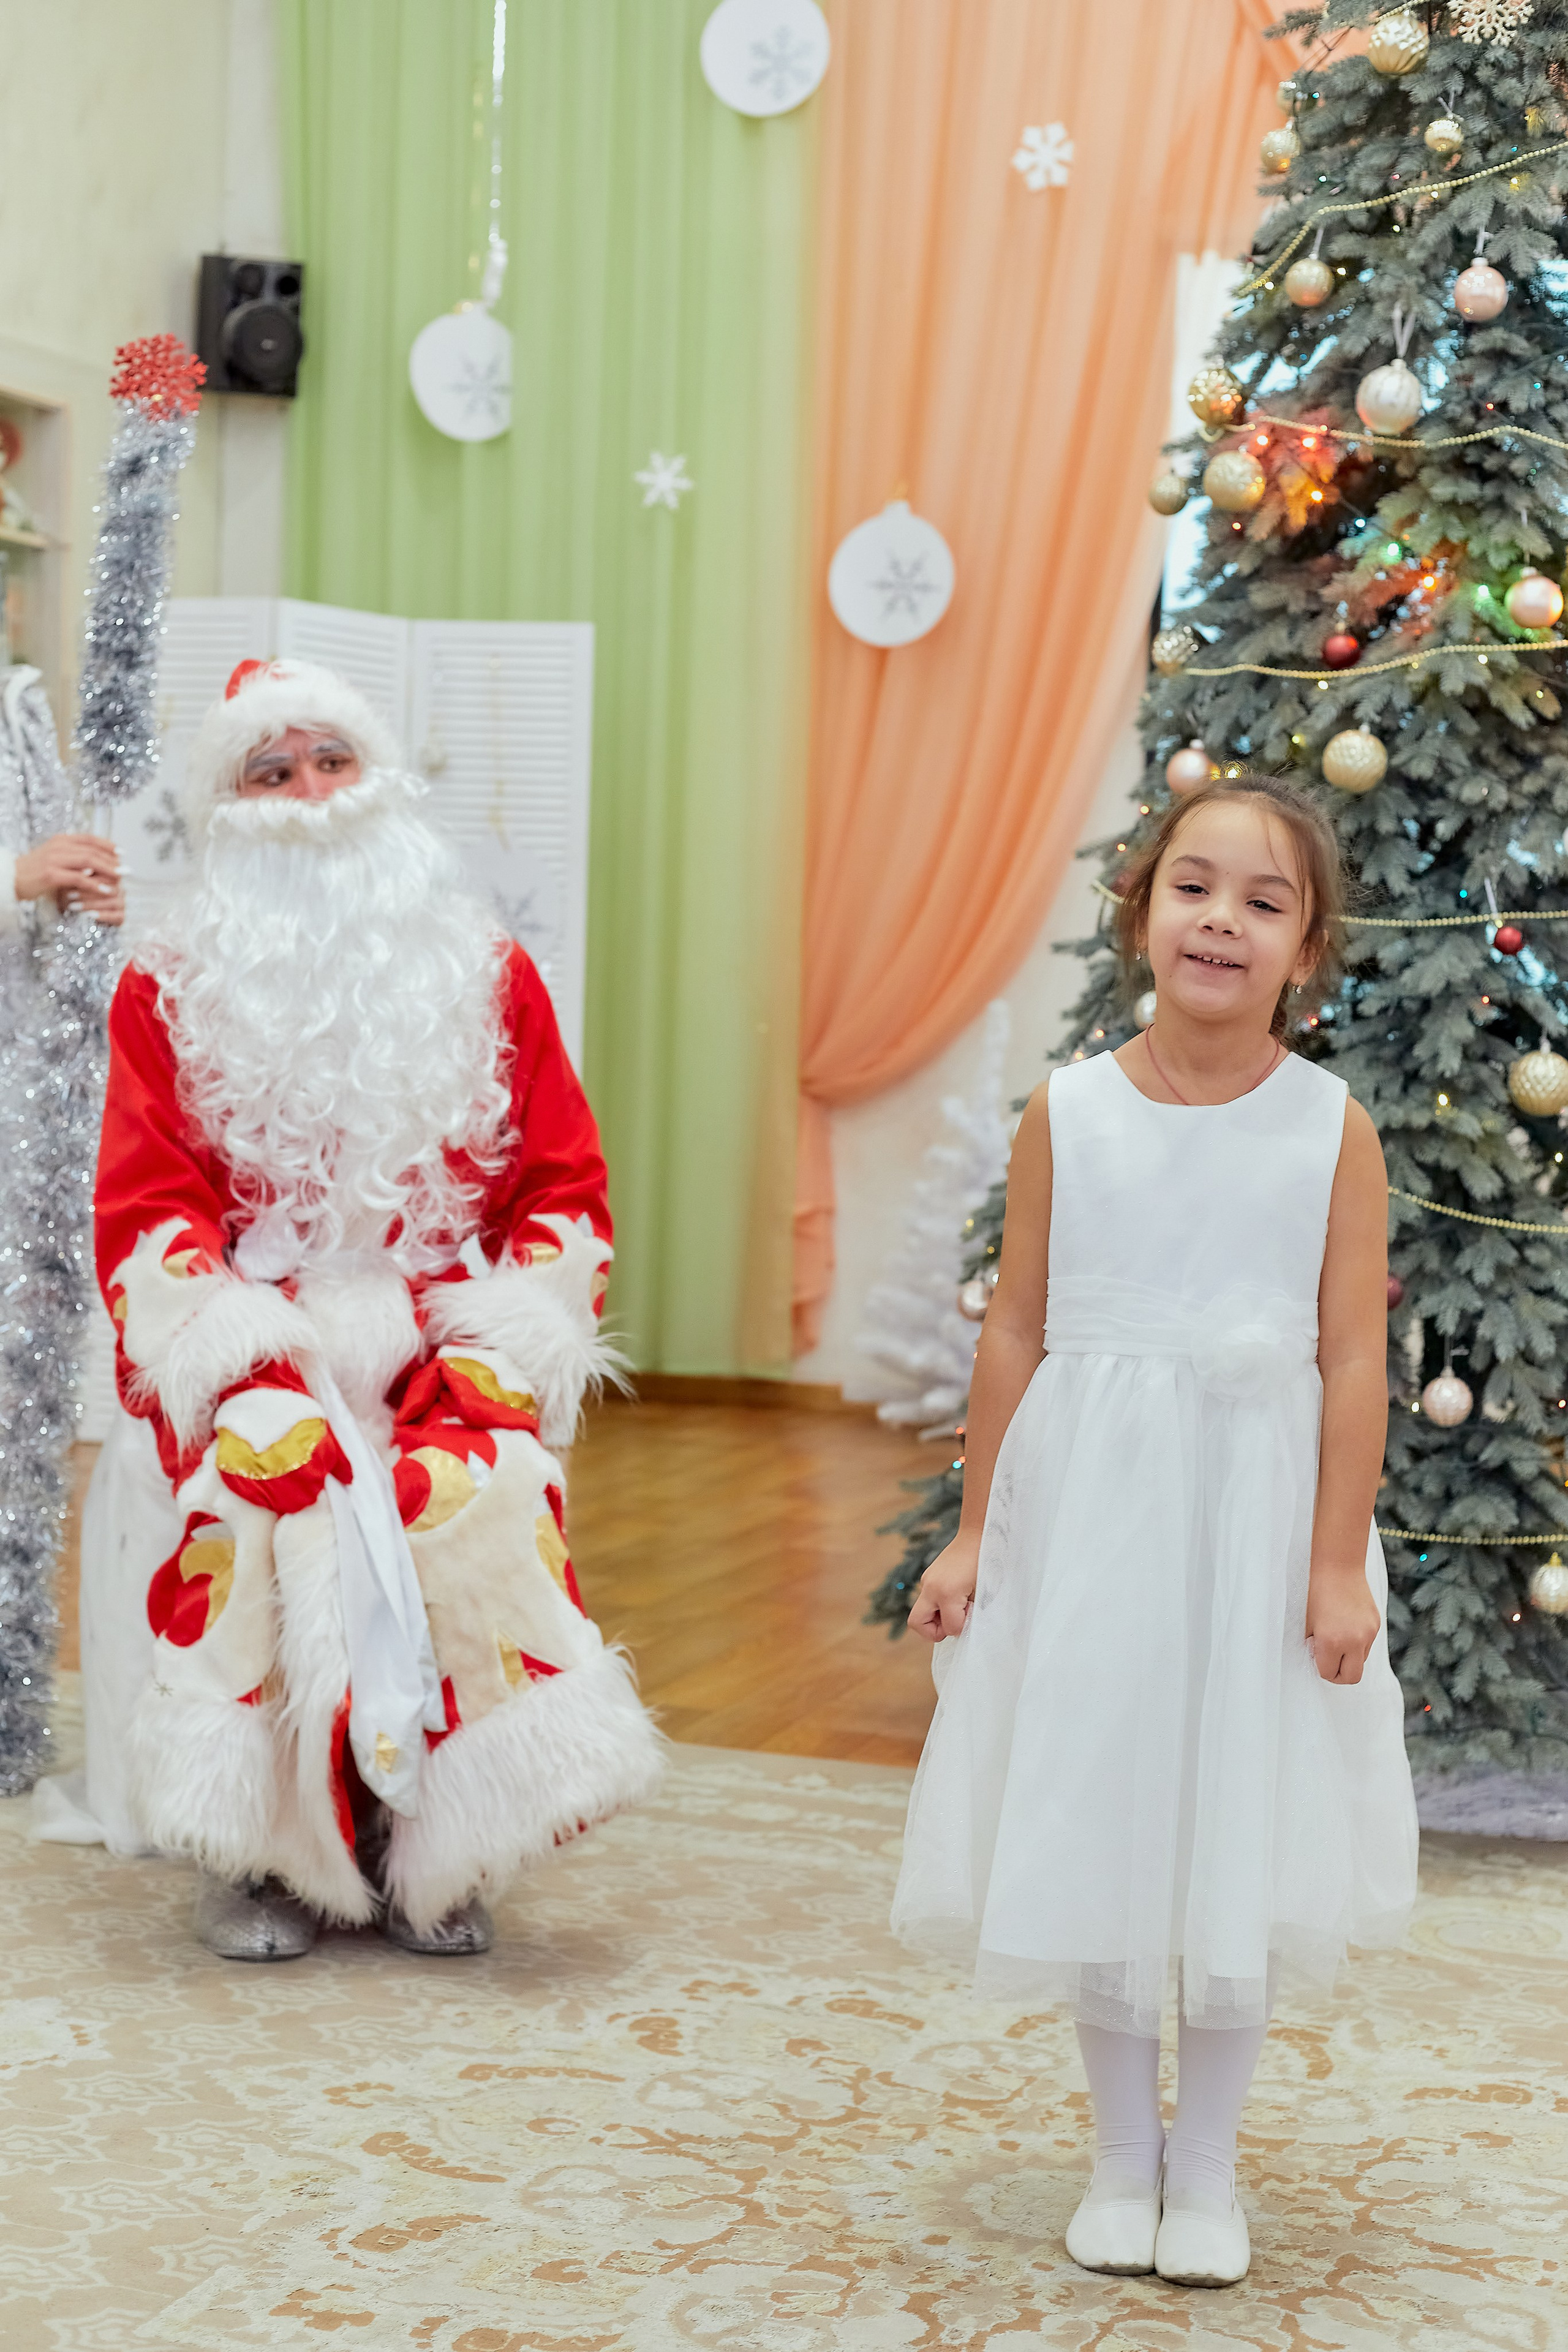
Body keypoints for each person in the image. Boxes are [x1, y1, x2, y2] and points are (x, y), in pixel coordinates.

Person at [891, 776, 1418, 2288]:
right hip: (1096, 1512)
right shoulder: (1068, 1110)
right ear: (1139, 911)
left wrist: (1330, 1563)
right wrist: (973, 1532)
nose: (1222, 922)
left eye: (1264, 903)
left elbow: (1354, 1358)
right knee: (1107, 1811)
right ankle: (1121, 2157)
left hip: (1258, 1516)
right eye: (1195, 887)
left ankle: (1208, 2168)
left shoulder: (1334, 1127)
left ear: (1305, 951)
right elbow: (1014, 1332)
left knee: (1234, 1823)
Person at [70, 655, 663, 1959]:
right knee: (266, 1490)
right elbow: (147, 1204)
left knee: (473, 1488)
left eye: (331, 761)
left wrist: (513, 1336)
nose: (310, 794)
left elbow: (561, 1181)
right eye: (272, 772)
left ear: (379, 778)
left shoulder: (487, 973)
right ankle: (274, 1858)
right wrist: (241, 1361)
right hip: (257, 1320)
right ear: (230, 807)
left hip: (439, 1319)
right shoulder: (164, 985)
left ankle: (434, 1848)